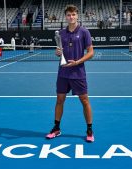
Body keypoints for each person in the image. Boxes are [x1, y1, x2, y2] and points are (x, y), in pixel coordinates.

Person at [45, 4, 95, 142]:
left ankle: (89, 130)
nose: (71, 17)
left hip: (78, 72)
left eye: (73, 14)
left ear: (77, 15)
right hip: (63, 73)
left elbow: (91, 52)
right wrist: (57, 53)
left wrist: (78, 62)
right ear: (65, 16)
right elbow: (58, 51)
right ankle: (56, 128)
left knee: (84, 101)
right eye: (68, 15)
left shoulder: (84, 32)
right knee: (60, 100)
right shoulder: (60, 33)